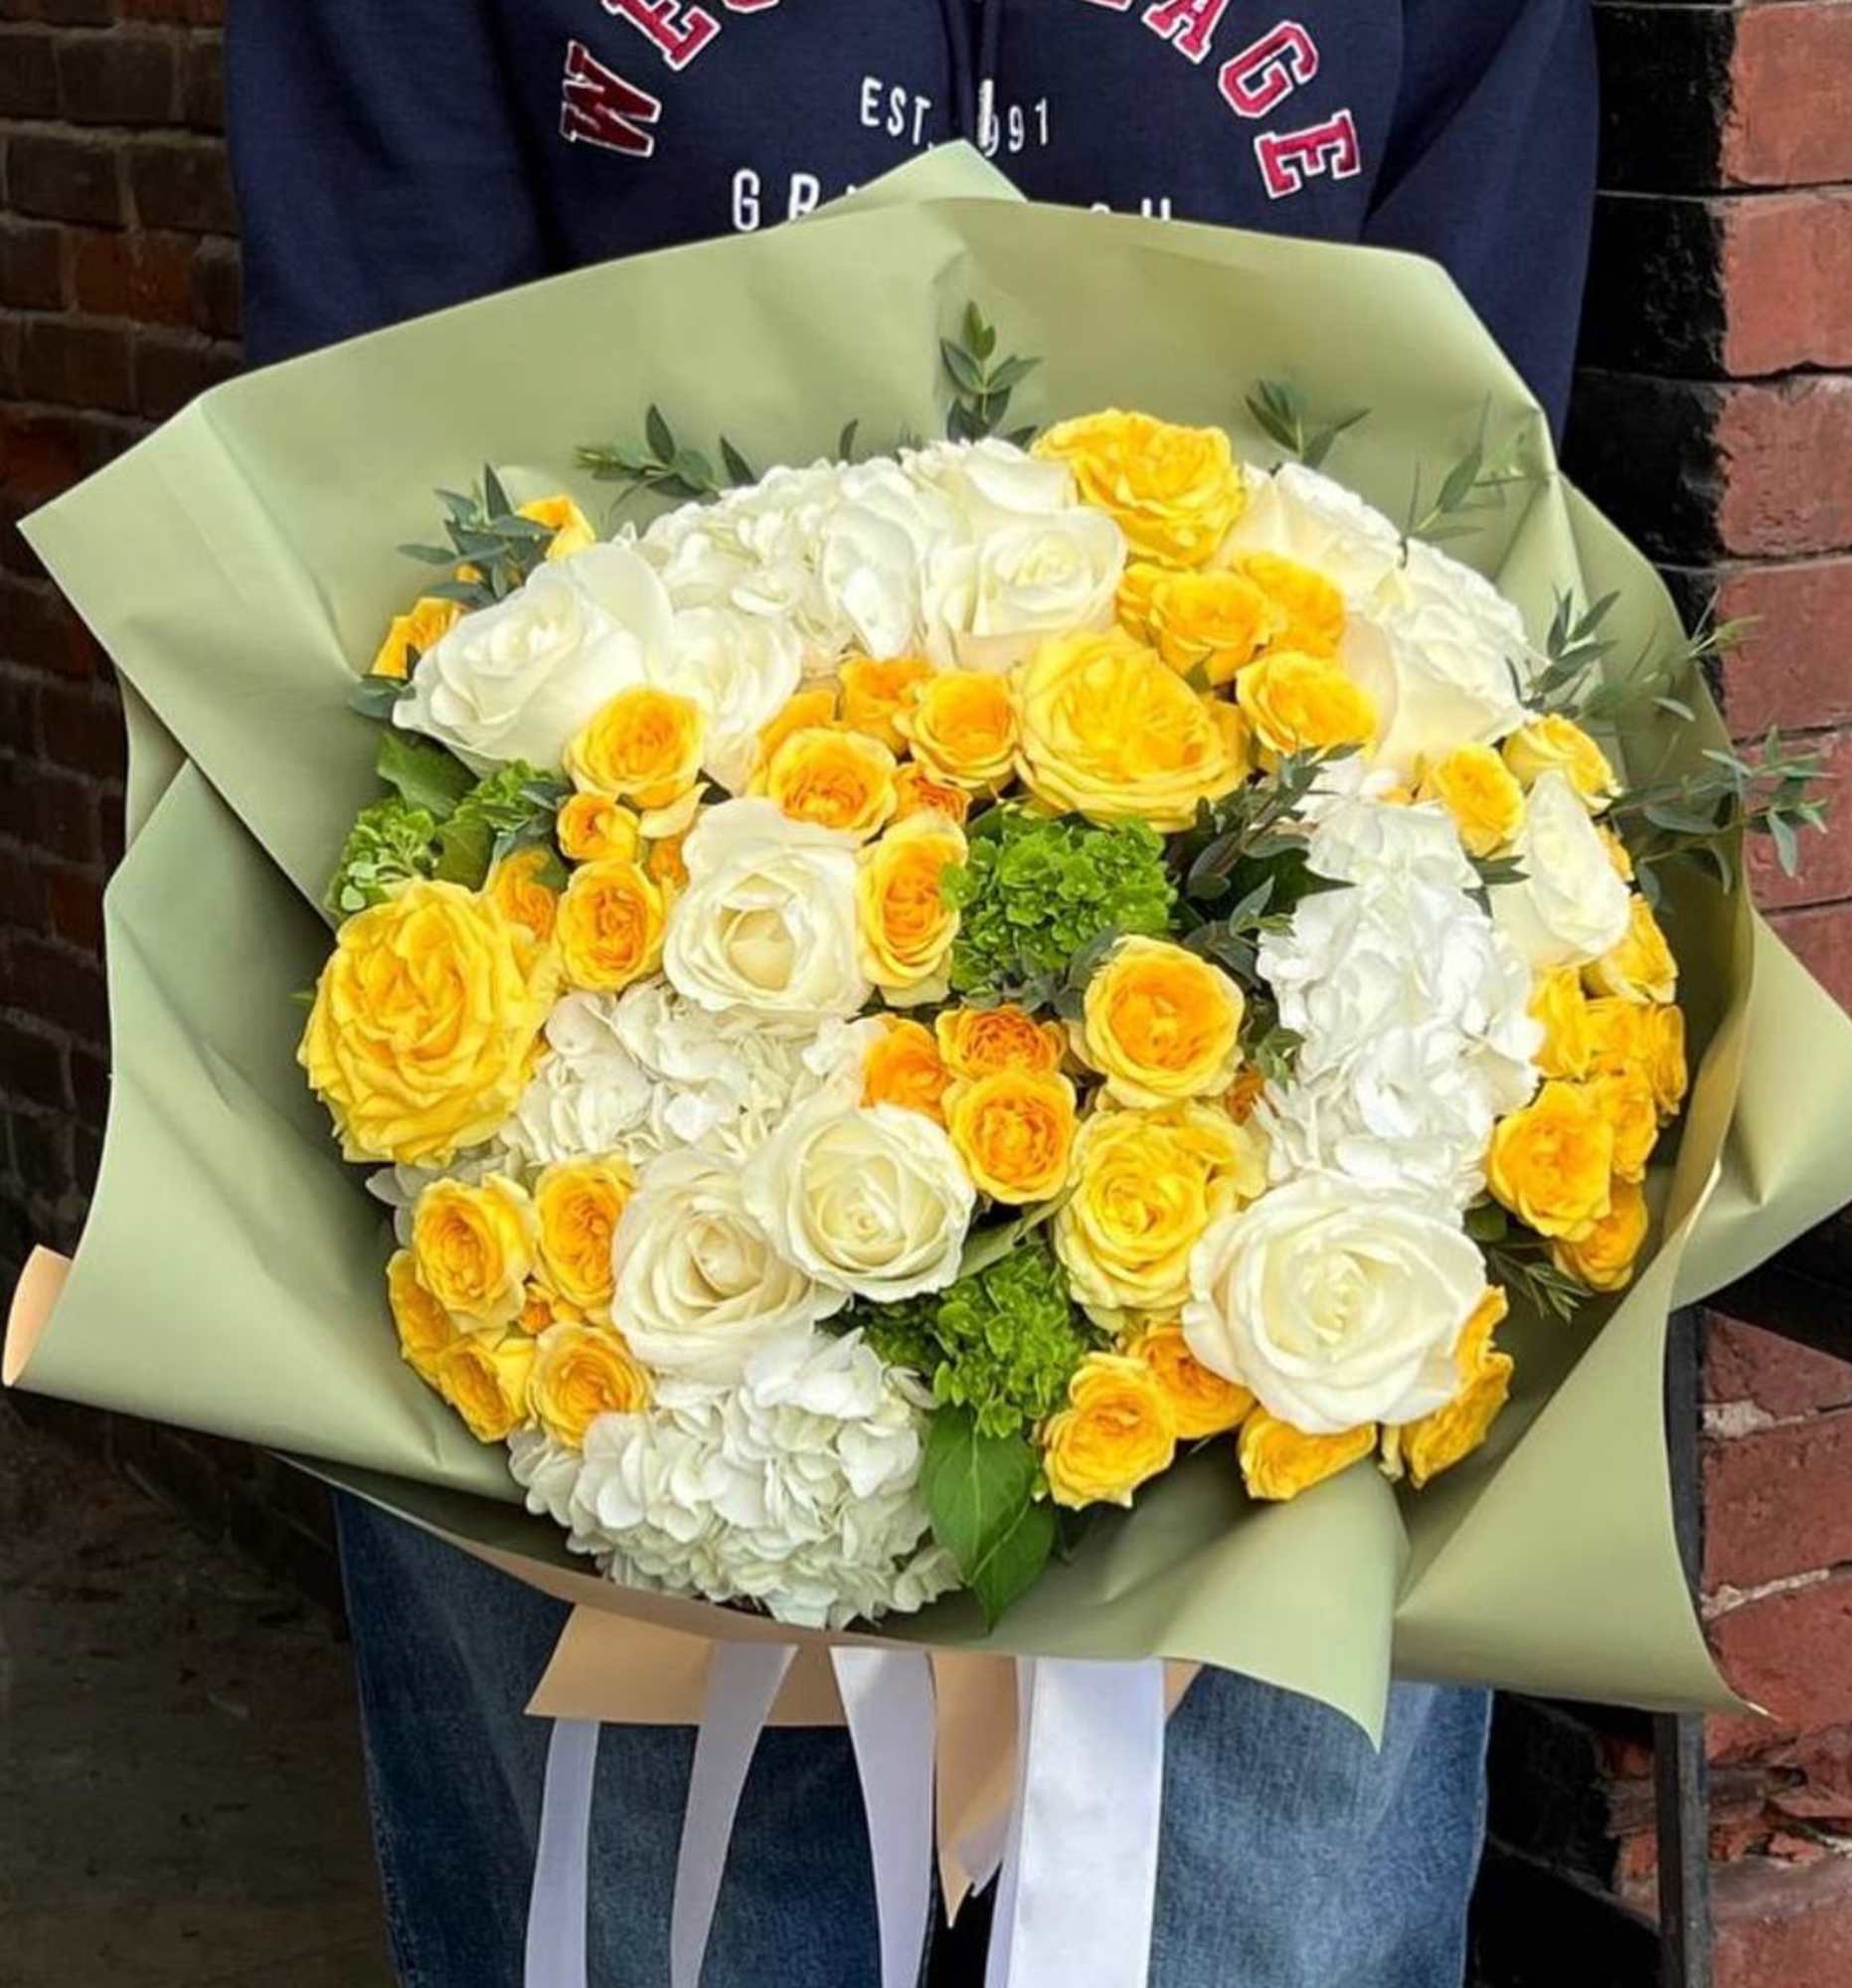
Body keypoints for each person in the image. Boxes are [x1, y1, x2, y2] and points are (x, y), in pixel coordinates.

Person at [225, 5, 1597, 1983]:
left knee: (1255, 1918)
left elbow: (1449, 519)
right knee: (662, 1925)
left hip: (1280, 1144)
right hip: (610, 1119)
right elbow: (372, 499)